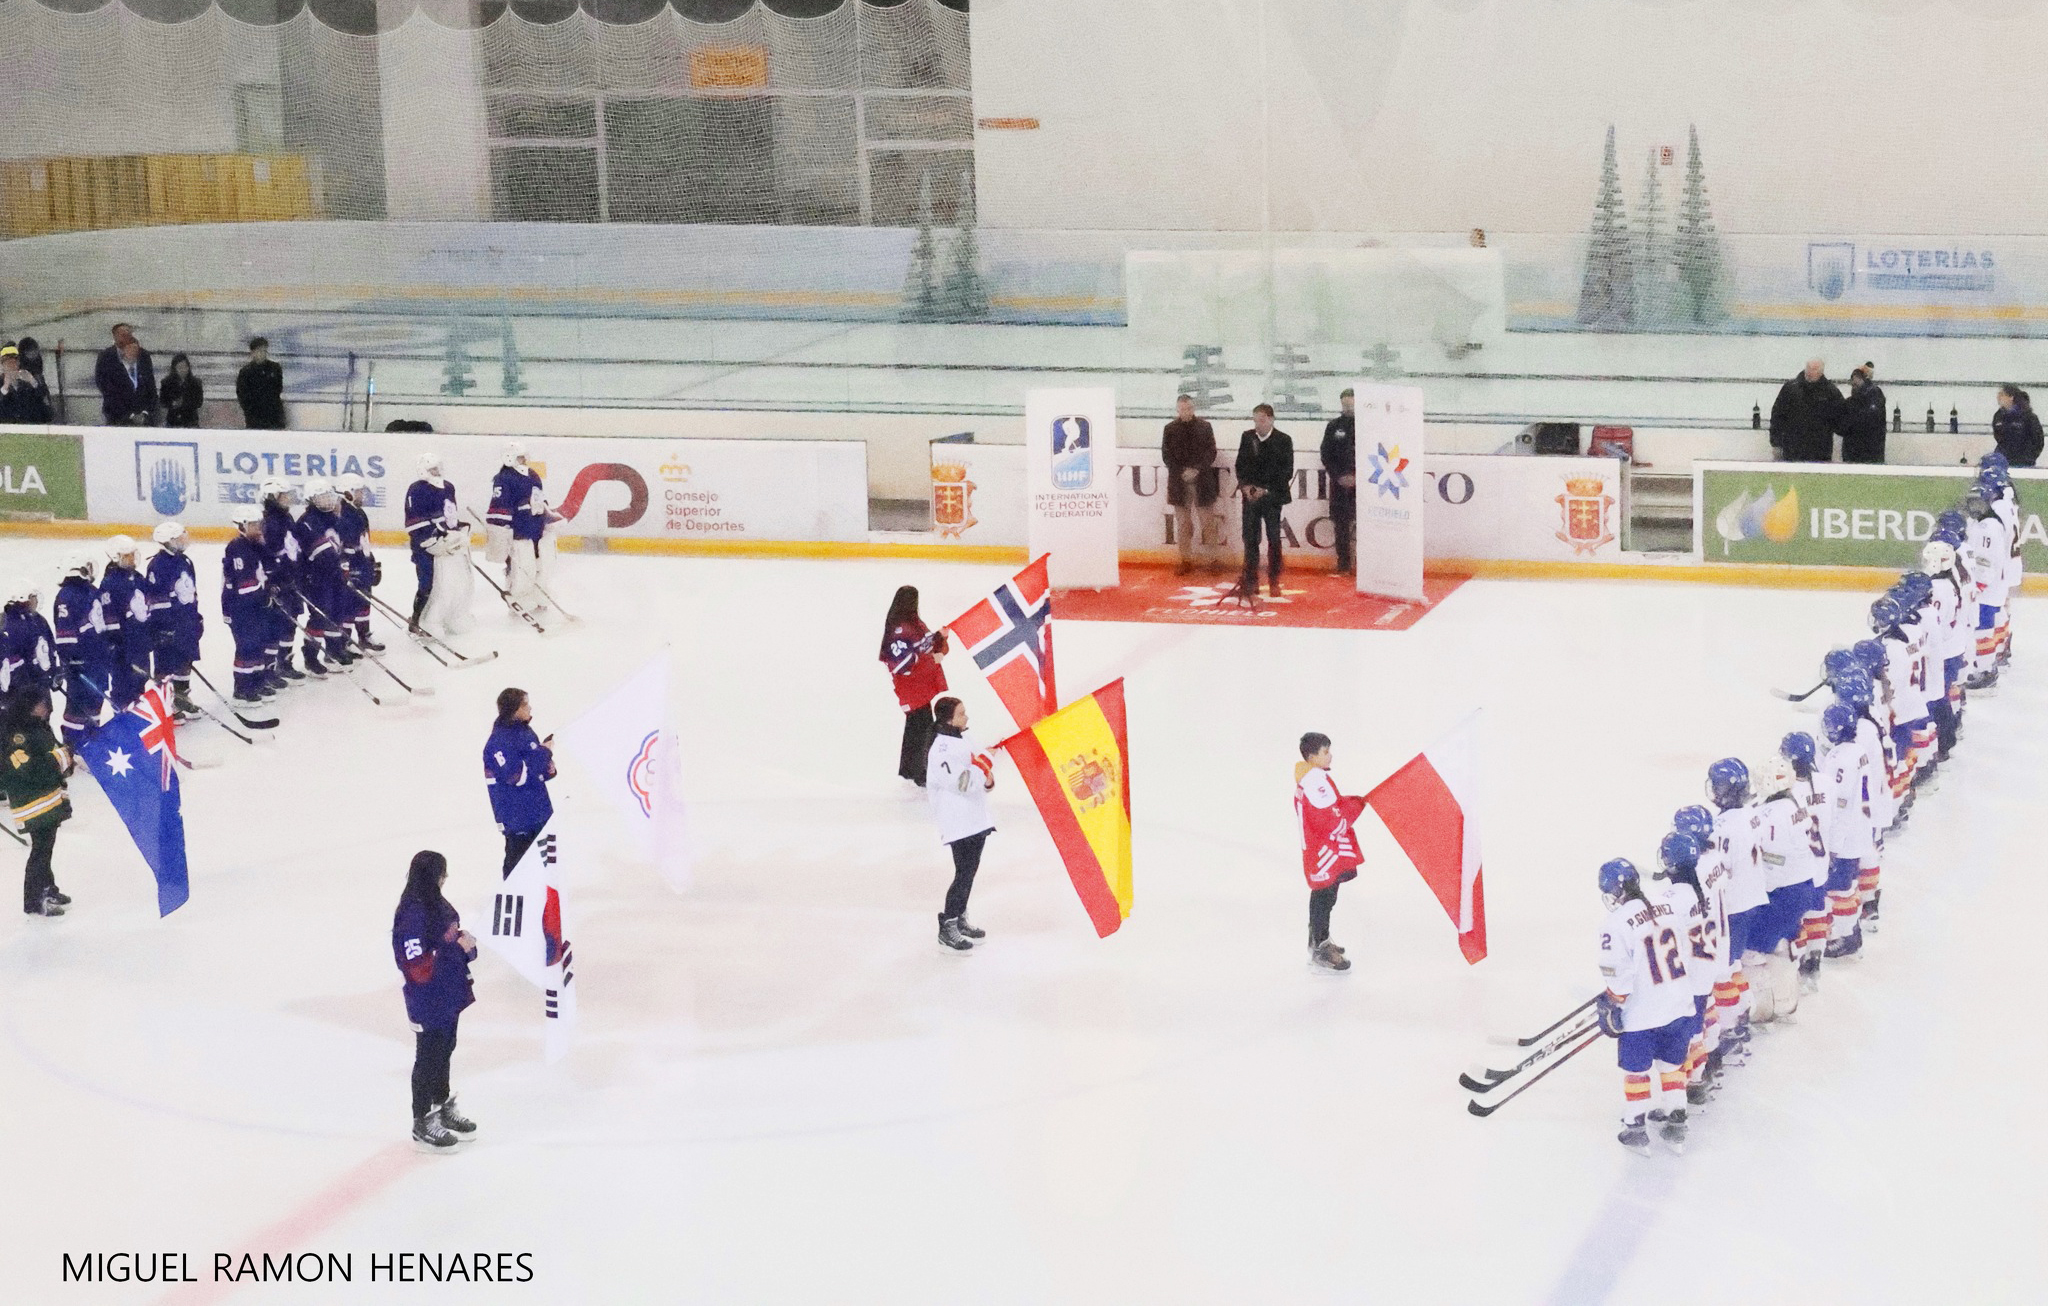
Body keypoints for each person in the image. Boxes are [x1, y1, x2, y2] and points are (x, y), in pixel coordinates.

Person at [1594, 858, 1696, 1156]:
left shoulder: (1613, 924)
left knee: (1637, 1071)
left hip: (1642, 1014)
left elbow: (1619, 977)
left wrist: (1613, 1001)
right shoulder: (1667, 907)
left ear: (1613, 891)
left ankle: (1635, 1126)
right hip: (1678, 1005)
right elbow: (1685, 952)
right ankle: (1677, 1122)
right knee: (1671, 1066)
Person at [391, 849, 478, 1151]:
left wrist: (465, 945)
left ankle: (441, 1105)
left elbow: (447, 938)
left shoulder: (435, 903)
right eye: (443, 872)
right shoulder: (412, 915)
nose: (446, 878)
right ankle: (421, 1121)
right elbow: (418, 965)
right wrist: (457, 949)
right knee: (427, 1056)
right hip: (427, 999)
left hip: (449, 993)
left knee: (445, 1048)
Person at [1702, 758, 1763, 1067]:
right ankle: (1740, 1019)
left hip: (1733, 908)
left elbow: (1718, 870)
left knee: (1722, 972)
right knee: (1735, 964)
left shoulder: (1723, 827)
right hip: (1752, 899)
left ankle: (1729, 1031)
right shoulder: (1752, 815)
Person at [925, 695, 994, 951]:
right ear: (948, 719)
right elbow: (962, 783)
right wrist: (984, 765)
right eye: (962, 713)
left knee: (969, 872)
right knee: (963, 873)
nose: (967, 717)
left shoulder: (964, 738)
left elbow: (980, 775)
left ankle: (960, 916)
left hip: (975, 819)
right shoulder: (940, 750)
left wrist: (987, 776)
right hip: (959, 822)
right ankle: (948, 924)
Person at [0, 691, 74, 917]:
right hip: (32, 802)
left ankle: (48, 888)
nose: (45, 708)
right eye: (41, 704)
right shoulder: (17, 735)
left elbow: (51, 753)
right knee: (40, 851)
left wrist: (65, 761)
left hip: (49, 798)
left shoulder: (40, 727)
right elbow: (27, 768)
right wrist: (61, 759)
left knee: (45, 849)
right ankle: (33, 900)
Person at [1295, 731, 1364, 973]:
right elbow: (1329, 817)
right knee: (1324, 897)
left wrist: (1354, 802)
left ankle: (1318, 940)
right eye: (1325, 752)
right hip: (1322, 852)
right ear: (1312, 756)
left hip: (1322, 849)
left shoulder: (1314, 777)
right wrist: (1355, 807)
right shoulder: (1314, 782)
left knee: (1327, 896)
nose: (1330, 755)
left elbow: (1332, 807)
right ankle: (1319, 948)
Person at [880, 586, 948, 785]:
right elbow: (902, 664)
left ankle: (909, 769)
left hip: (917, 687)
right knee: (922, 727)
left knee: (915, 727)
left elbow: (922, 645)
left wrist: (939, 638)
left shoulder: (911, 624)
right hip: (912, 687)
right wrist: (932, 659)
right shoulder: (901, 628)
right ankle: (920, 773)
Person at [484, 687, 554, 876]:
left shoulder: (526, 731)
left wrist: (548, 768)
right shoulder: (498, 743)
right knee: (518, 872)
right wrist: (544, 753)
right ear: (514, 709)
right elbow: (517, 776)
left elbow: (534, 769)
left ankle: (546, 905)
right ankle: (512, 905)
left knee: (548, 869)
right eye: (525, 704)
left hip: (540, 813)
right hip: (519, 819)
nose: (530, 708)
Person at [405, 453, 472, 636]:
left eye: (438, 468)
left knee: (452, 585)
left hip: (447, 545)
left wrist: (458, 532)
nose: (437, 472)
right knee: (428, 584)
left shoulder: (448, 487)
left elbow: (450, 516)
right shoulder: (416, 490)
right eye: (432, 469)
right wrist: (430, 541)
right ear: (423, 471)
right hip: (425, 547)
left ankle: (447, 618)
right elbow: (415, 522)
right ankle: (417, 620)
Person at [487, 444, 555, 616]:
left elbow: (540, 498)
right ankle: (519, 599)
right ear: (510, 458)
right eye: (520, 457)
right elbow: (500, 506)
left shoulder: (533, 475)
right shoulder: (504, 478)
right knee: (522, 566)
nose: (524, 460)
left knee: (541, 564)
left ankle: (539, 595)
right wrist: (502, 530)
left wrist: (546, 517)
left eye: (525, 456)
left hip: (536, 528)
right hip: (518, 530)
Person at [144, 522, 203, 719]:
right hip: (168, 626)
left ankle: (182, 698)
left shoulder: (185, 561)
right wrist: (163, 628)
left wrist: (196, 617)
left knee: (186, 660)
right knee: (166, 666)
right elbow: (157, 600)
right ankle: (167, 706)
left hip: (186, 622)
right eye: (178, 538)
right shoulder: (157, 565)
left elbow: (190, 592)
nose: (183, 541)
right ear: (167, 542)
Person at [1234, 403, 1294, 596]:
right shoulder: (1247, 437)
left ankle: (1274, 579)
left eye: (1261, 420)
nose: (1258, 425)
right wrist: (1245, 486)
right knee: (1250, 539)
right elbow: (1240, 465)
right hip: (1250, 497)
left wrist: (1266, 490)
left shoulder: (1284, 440)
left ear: (1271, 419)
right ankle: (1251, 580)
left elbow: (1286, 471)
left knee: (1274, 538)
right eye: (1255, 420)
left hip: (1272, 497)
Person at [294, 479, 352, 676]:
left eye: (329, 496)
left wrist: (346, 565)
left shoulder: (333, 519)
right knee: (320, 614)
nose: (327, 501)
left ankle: (334, 650)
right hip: (314, 578)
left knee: (337, 609)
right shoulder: (307, 522)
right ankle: (311, 656)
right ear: (311, 500)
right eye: (322, 497)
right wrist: (339, 567)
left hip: (334, 576)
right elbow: (322, 554)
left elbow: (341, 546)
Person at [51, 553, 108, 745]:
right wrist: (71, 659)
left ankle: (92, 740)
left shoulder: (92, 590)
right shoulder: (67, 595)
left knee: (95, 699)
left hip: (97, 658)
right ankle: (72, 744)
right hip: (81, 661)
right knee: (77, 703)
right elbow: (64, 631)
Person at [1161, 394, 1220, 573]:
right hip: (1179, 483)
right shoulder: (1169, 429)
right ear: (1177, 410)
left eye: (1189, 408)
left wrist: (1196, 470)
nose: (1186, 412)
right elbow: (1166, 455)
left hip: (1202, 481)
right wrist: (1182, 472)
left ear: (1193, 409)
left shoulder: (1205, 427)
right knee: (1183, 524)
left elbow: (1211, 452)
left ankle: (1213, 560)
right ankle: (1185, 560)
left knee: (1208, 523)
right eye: (1183, 409)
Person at [221, 508, 274, 704]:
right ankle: (242, 689)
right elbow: (244, 583)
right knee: (247, 646)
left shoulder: (254, 545)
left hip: (254, 605)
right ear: (242, 526)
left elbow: (268, 568)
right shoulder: (237, 548)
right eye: (253, 525)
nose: (258, 528)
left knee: (258, 643)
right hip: (239, 607)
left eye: (259, 524)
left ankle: (257, 683)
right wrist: (263, 596)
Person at [260, 479, 305, 686]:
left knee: (290, 622)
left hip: (291, 580)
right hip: (279, 583)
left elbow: (293, 549)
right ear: (272, 498)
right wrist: (277, 579)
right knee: (275, 626)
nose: (287, 499)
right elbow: (269, 557)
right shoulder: (269, 523)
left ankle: (285, 662)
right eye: (283, 496)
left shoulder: (286, 518)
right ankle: (269, 668)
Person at [97, 535, 151, 710]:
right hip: (123, 646)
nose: (132, 558)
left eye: (132, 554)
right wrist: (115, 643)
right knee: (122, 686)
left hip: (139, 642)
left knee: (140, 682)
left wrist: (151, 633)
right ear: (116, 557)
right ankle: (122, 721)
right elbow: (108, 614)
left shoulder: (138, 578)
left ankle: (137, 720)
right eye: (127, 555)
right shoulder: (109, 583)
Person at [337, 473, 382, 653]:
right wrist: (345, 566)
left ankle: (364, 636)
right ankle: (344, 641)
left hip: (362, 564)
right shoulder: (341, 514)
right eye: (359, 491)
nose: (362, 495)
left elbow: (364, 540)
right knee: (349, 604)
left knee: (364, 601)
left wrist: (371, 562)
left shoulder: (359, 513)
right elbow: (342, 544)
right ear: (348, 493)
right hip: (351, 566)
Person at [0, 579, 58, 715]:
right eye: (33, 597)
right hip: (25, 691)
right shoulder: (10, 624)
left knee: (43, 722)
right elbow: (12, 661)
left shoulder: (38, 620)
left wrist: (52, 672)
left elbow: (49, 648)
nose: (36, 601)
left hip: (40, 686)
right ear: (22, 599)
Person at [1768, 358, 1842, 462]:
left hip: (1820, 451)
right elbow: (1777, 416)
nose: (1810, 372)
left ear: (1821, 372)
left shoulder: (1831, 392)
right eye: (1809, 368)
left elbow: (1840, 418)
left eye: (1814, 369)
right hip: (1792, 449)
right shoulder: (1790, 389)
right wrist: (1776, 443)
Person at [1321, 388, 1358, 574]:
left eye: (1351, 404)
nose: (1348, 408)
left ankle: (1367, 565)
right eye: (1345, 405)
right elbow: (1326, 454)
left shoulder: (1370, 426)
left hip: (1364, 485)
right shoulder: (1334, 426)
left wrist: (1357, 476)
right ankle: (1343, 564)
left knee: (1367, 526)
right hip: (1339, 484)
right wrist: (1339, 476)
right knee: (1341, 525)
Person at [94, 325, 157, 427]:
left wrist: (146, 412)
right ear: (115, 336)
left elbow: (150, 387)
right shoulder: (106, 357)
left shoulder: (144, 356)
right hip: (118, 417)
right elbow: (105, 387)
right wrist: (130, 415)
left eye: (129, 334)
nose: (127, 337)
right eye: (123, 335)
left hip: (143, 417)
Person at [1837, 363, 1885, 464]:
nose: (1853, 385)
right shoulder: (1875, 395)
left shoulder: (1852, 402)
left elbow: (1844, 426)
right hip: (1869, 451)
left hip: (1860, 451)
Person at [236, 337, 286, 431]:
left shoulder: (275, 368)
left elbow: (278, 388)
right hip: (255, 417)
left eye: (264, 351)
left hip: (274, 415)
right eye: (259, 351)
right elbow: (242, 394)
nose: (262, 354)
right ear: (252, 352)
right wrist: (250, 410)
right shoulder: (246, 372)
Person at [1991, 385, 2042, 468]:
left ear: (2011, 397)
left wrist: (2028, 458)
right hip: (2003, 460)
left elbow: (2037, 441)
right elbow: (1998, 437)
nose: (1998, 397)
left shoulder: (2028, 417)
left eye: (2002, 394)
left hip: (2024, 462)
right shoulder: (1998, 416)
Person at [0, 344, 52, 424]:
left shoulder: (26, 382)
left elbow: (43, 399)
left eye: (15, 362)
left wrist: (33, 382)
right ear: (2, 365)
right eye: (8, 363)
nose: (12, 366)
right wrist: (5, 387)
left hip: (28, 424)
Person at [159, 353, 203, 429]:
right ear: (174, 368)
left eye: (185, 367)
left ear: (189, 367)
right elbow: (163, 401)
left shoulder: (196, 383)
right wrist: (172, 404)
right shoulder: (166, 383)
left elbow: (199, 402)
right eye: (179, 367)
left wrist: (184, 403)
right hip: (172, 421)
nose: (183, 370)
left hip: (190, 422)